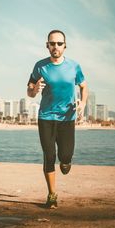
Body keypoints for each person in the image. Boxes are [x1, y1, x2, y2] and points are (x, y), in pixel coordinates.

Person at [27, 30, 88, 209]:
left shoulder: (74, 66)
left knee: (65, 156)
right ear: (47, 45)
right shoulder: (40, 66)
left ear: (65, 46)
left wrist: (83, 104)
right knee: (49, 155)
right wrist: (35, 88)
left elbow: (84, 86)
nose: (56, 47)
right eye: (52, 43)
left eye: (59, 43)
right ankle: (52, 195)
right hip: (46, 117)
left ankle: (66, 160)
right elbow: (29, 92)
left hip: (68, 118)